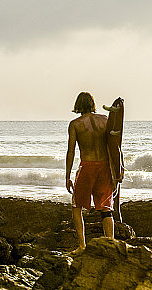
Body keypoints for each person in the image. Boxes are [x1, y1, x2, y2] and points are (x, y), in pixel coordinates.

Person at [65, 92, 114, 253]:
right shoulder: (105, 120)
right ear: (93, 104)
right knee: (106, 206)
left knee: (76, 205)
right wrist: (117, 170)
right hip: (105, 166)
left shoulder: (75, 124)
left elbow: (70, 152)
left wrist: (67, 176)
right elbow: (115, 146)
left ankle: (82, 245)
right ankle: (110, 242)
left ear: (77, 105)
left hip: (87, 166)